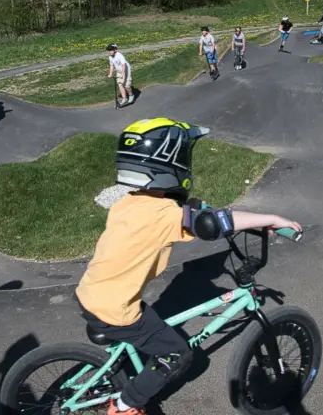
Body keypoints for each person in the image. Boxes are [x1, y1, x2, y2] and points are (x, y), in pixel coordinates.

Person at [75, 117, 302, 415]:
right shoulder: (163, 215)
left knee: (151, 334)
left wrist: (193, 209)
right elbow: (213, 224)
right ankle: (124, 405)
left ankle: (125, 379)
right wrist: (271, 219)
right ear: (171, 162)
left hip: (92, 292)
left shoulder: (128, 202)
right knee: (178, 354)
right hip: (115, 309)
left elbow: (182, 215)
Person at [107, 43, 134, 107]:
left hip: (126, 69)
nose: (109, 52)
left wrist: (122, 74)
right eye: (109, 50)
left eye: (111, 50)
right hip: (119, 71)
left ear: (115, 50)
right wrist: (110, 73)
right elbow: (111, 66)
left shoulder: (119, 55)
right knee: (120, 84)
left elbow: (123, 65)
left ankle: (131, 95)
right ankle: (124, 98)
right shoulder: (110, 57)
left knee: (127, 85)